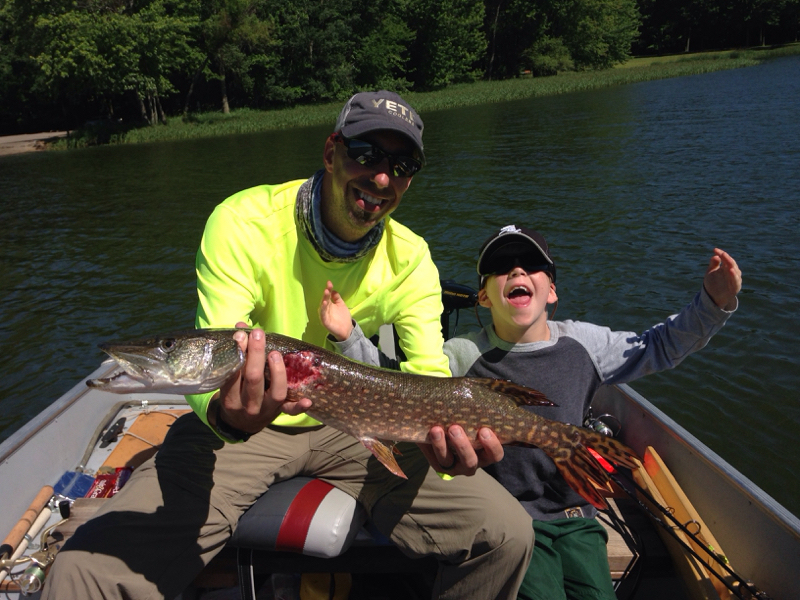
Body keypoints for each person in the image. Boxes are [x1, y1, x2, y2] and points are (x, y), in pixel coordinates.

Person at [41, 94, 534, 600]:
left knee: (507, 536)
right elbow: (215, 353)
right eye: (366, 153)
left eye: (402, 166)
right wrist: (229, 417)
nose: (382, 178)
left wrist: (447, 448)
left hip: (362, 428)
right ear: (330, 151)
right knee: (81, 572)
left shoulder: (411, 260)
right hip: (241, 433)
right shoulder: (242, 222)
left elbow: (430, 380)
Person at [320, 224, 742, 600]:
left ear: (552, 291)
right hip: (510, 519)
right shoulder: (462, 354)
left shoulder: (584, 344)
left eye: (531, 264)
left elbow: (657, 346)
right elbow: (394, 390)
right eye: (502, 266)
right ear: (484, 296)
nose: (517, 271)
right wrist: (349, 337)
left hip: (579, 519)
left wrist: (712, 304)